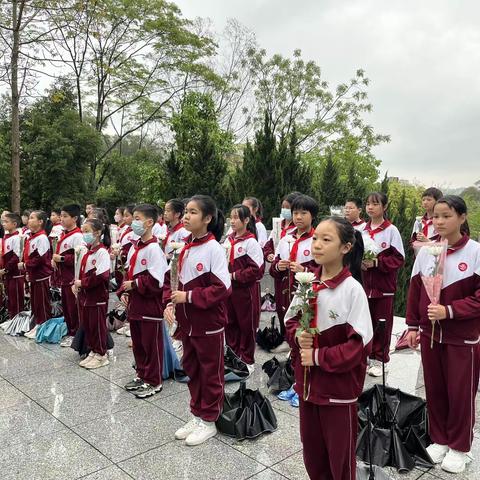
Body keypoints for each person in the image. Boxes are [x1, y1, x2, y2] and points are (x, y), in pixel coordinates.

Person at [285, 217, 372, 480]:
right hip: (307, 386)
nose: (317, 245)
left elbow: (359, 347)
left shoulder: (352, 290)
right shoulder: (307, 284)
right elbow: (290, 321)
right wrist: (299, 336)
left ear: (346, 247)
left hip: (338, 391)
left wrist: (319, 356)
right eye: (315, 238)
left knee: (340, 458)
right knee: (312, 452)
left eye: (326, 239)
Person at [405, 195, 480, 474]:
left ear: (461, 217)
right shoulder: (427, 251)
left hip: (462, 337)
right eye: (436, 216)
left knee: (460, 393)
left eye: (446, 215)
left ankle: (460, 447)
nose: (439, 221)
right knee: (435, 389)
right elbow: (415, 290)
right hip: (430, 334)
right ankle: (439, 438)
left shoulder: (475, 252)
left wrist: (450, 311)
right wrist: (413, 326)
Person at [164, 195, 231, 446]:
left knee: (210, 371)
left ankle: (209, 419)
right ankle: (196, 412)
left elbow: (222, 288)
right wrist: (171, 303)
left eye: (193, 212)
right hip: (187, 321)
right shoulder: (184, 247)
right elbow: (172, 280)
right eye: (186, 212)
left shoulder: (214, 248)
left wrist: (189, 296)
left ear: (208, 218)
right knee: (192, 369)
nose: (186, 216)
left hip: (209, 323)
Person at [120, 204, 168, 398]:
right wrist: (124, 290)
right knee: (138, 343)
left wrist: (135, 285)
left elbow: (158, 282)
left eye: (138, 218)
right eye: (134, 218)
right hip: (136, 305)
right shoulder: (135, 248)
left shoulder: (154, 249)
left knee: (151, 344)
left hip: (149, 306)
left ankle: (154, 380)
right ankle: (142, 374)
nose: (134, 222)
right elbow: (127, 275)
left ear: (150, 223)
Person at [361, 192, 405, 377]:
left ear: (384, 207)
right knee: (365, 322)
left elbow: (399, 259)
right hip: (364, 285)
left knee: (382, 323)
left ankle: (380, 359)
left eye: (375, 204)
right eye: (368, 204)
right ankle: (365, 357)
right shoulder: (363, 230)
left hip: (383, 287)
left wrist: (378, 263)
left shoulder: (391, 231)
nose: (370, 207)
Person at [269, 194, 319, 353]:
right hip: (284, 287)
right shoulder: (285, 239)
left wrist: (304, 270)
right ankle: (287, 339)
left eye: (304, 213)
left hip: (305, 290)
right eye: (295, 213)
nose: (298, 217)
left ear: (313, 215)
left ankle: (301, 344)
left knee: (303, 316)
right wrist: (278, 266)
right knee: (284, 312)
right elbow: (272, 268)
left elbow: (324, 270)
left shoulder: (317, 240)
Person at [224, 204, 264, 370]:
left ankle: (247, 359)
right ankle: (233, 355)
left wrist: (234, 276)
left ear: (246, 220)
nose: (232, 221)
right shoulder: (229, 240)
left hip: (246, 291)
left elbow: (257, 270)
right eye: (231, 217)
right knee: (230, 322)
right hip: (230, 291)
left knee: (246, 324)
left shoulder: (250, 242)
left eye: (236, 218)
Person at [73, 218, 110, 369]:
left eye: (87, 231)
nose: (84, 234)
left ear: (98, 232)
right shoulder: (88, 252)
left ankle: (102, 354)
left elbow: (102, 276)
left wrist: (83, 283)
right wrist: (77, 284)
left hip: (97, 297)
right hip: (86, 296)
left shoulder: (102, 252)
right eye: (83, 231)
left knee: (98, 326)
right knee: (89, 325)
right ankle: (94, 351)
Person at [52, 204, 85, 346]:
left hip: (72, 278)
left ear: (75, 218)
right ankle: (71, 331)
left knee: (73, 308)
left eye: (65, 216)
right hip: (63, 278)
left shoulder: (77, 236)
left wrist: (62, 259)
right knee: (66, 307)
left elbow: (80, 258)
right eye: (61, 216)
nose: (62, 219)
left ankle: (76, 333)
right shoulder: (63, 235)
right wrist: (55, 261)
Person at [19, 211, 53, 339]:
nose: (29, 219)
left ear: (40, 222)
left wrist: (25, 265)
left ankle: (44, 325)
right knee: (36, 303)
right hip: (34, 275)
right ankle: (38, 324)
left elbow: (41, 259)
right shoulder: (32, 237)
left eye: (32, 218)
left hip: (41, 276)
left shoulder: (42, 238)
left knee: (42, 303)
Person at [263, 192, 301, 262]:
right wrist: (269, 254)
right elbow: (268, 245)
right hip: (276, 266)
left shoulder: (299, 228)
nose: (284, 210)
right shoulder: (278, 225)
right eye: (283, 207)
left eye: (288, 208)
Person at [0, 213, 24, 319]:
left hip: (15, 274)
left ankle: (17, 321)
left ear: (14, 224)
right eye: (3, 222)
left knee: (16, 299)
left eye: (6, 222)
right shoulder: (6, 236)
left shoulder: (17, 238)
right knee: (10, 298)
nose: (3, 224)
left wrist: (5, 269)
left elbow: (16, 257)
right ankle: (11, 319)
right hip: (8, 273)